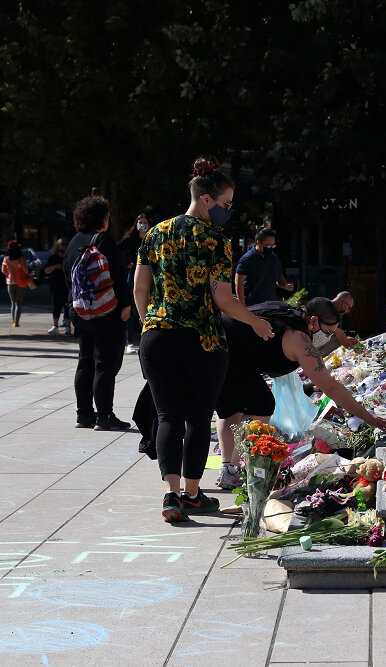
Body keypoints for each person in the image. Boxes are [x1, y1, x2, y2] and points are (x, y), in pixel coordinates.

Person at [134, 157, 274, 523]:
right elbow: (224, 300)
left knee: (168, 416)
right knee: (197, 418)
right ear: (208, 199)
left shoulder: (156, 233)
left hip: (158, 336)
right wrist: (256, 321)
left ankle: (170, 495)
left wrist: (150, 321)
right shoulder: (215, 240)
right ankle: (193, 494)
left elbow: (139, 288)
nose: (228, 210)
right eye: (226, 203)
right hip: (203, 341)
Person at [214, 297, 386, 489]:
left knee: (232, 409)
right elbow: (331, 387)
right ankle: (233, 469)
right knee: (262, 404)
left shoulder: (292, 316)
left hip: (221, 343)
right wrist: (369, 418)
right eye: (328, 332)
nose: (328, 338)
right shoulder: (300, 339)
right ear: (314, 320)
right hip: (229, 352)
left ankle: (229, 469)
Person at [64, 195, 131, 430]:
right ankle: (105, 415)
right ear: (102, 218)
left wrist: (71, 310)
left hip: (79, 310)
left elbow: (68, 280)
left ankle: (84, 414)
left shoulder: (73, 242)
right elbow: (118, 276)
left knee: (85, 361)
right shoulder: (102, 240)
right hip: (106, 311)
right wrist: (125, 305)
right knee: (105, 362)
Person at [234, 229, 294, 306]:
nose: (271, 248)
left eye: (273, 245)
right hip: (251, 306)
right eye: (268, 246)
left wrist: (285, 285)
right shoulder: (247, 259)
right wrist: (242, 305)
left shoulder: (274, 258)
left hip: (270, 306)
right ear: (258, 243)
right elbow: (238, 282)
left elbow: (279, 278)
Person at [119, 213, 151, 354]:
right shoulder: (129, 240)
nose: (142, 224)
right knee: (133, 309)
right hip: (134, 277)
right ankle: (129, 342)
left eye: (145, 222)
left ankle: (148, 338)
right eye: (140, 222)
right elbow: (115, 251)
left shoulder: (152, 238)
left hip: (151, 277)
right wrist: (127, 264)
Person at [2, 240, 33, 327]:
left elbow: (3, 271)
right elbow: (26, 270)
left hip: (10, 282)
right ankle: (16, 321)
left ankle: (13, 321)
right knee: (18, 303)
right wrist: (30, 272)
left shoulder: (6, 259)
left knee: (13, 302)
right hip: (20, 282)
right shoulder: (21, 259)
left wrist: (10, 274)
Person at [43, 238, 70, 333]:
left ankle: (68, 326)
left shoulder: (70, 257)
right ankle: (55, 326)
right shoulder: (53, 258)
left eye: (66, 244)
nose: (64, 246)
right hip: (55, 285)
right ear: (58, 245)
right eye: (62, 244)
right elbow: (46, 271)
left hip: (68, 285)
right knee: (56, 305)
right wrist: (56, 266)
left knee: (68, 306)